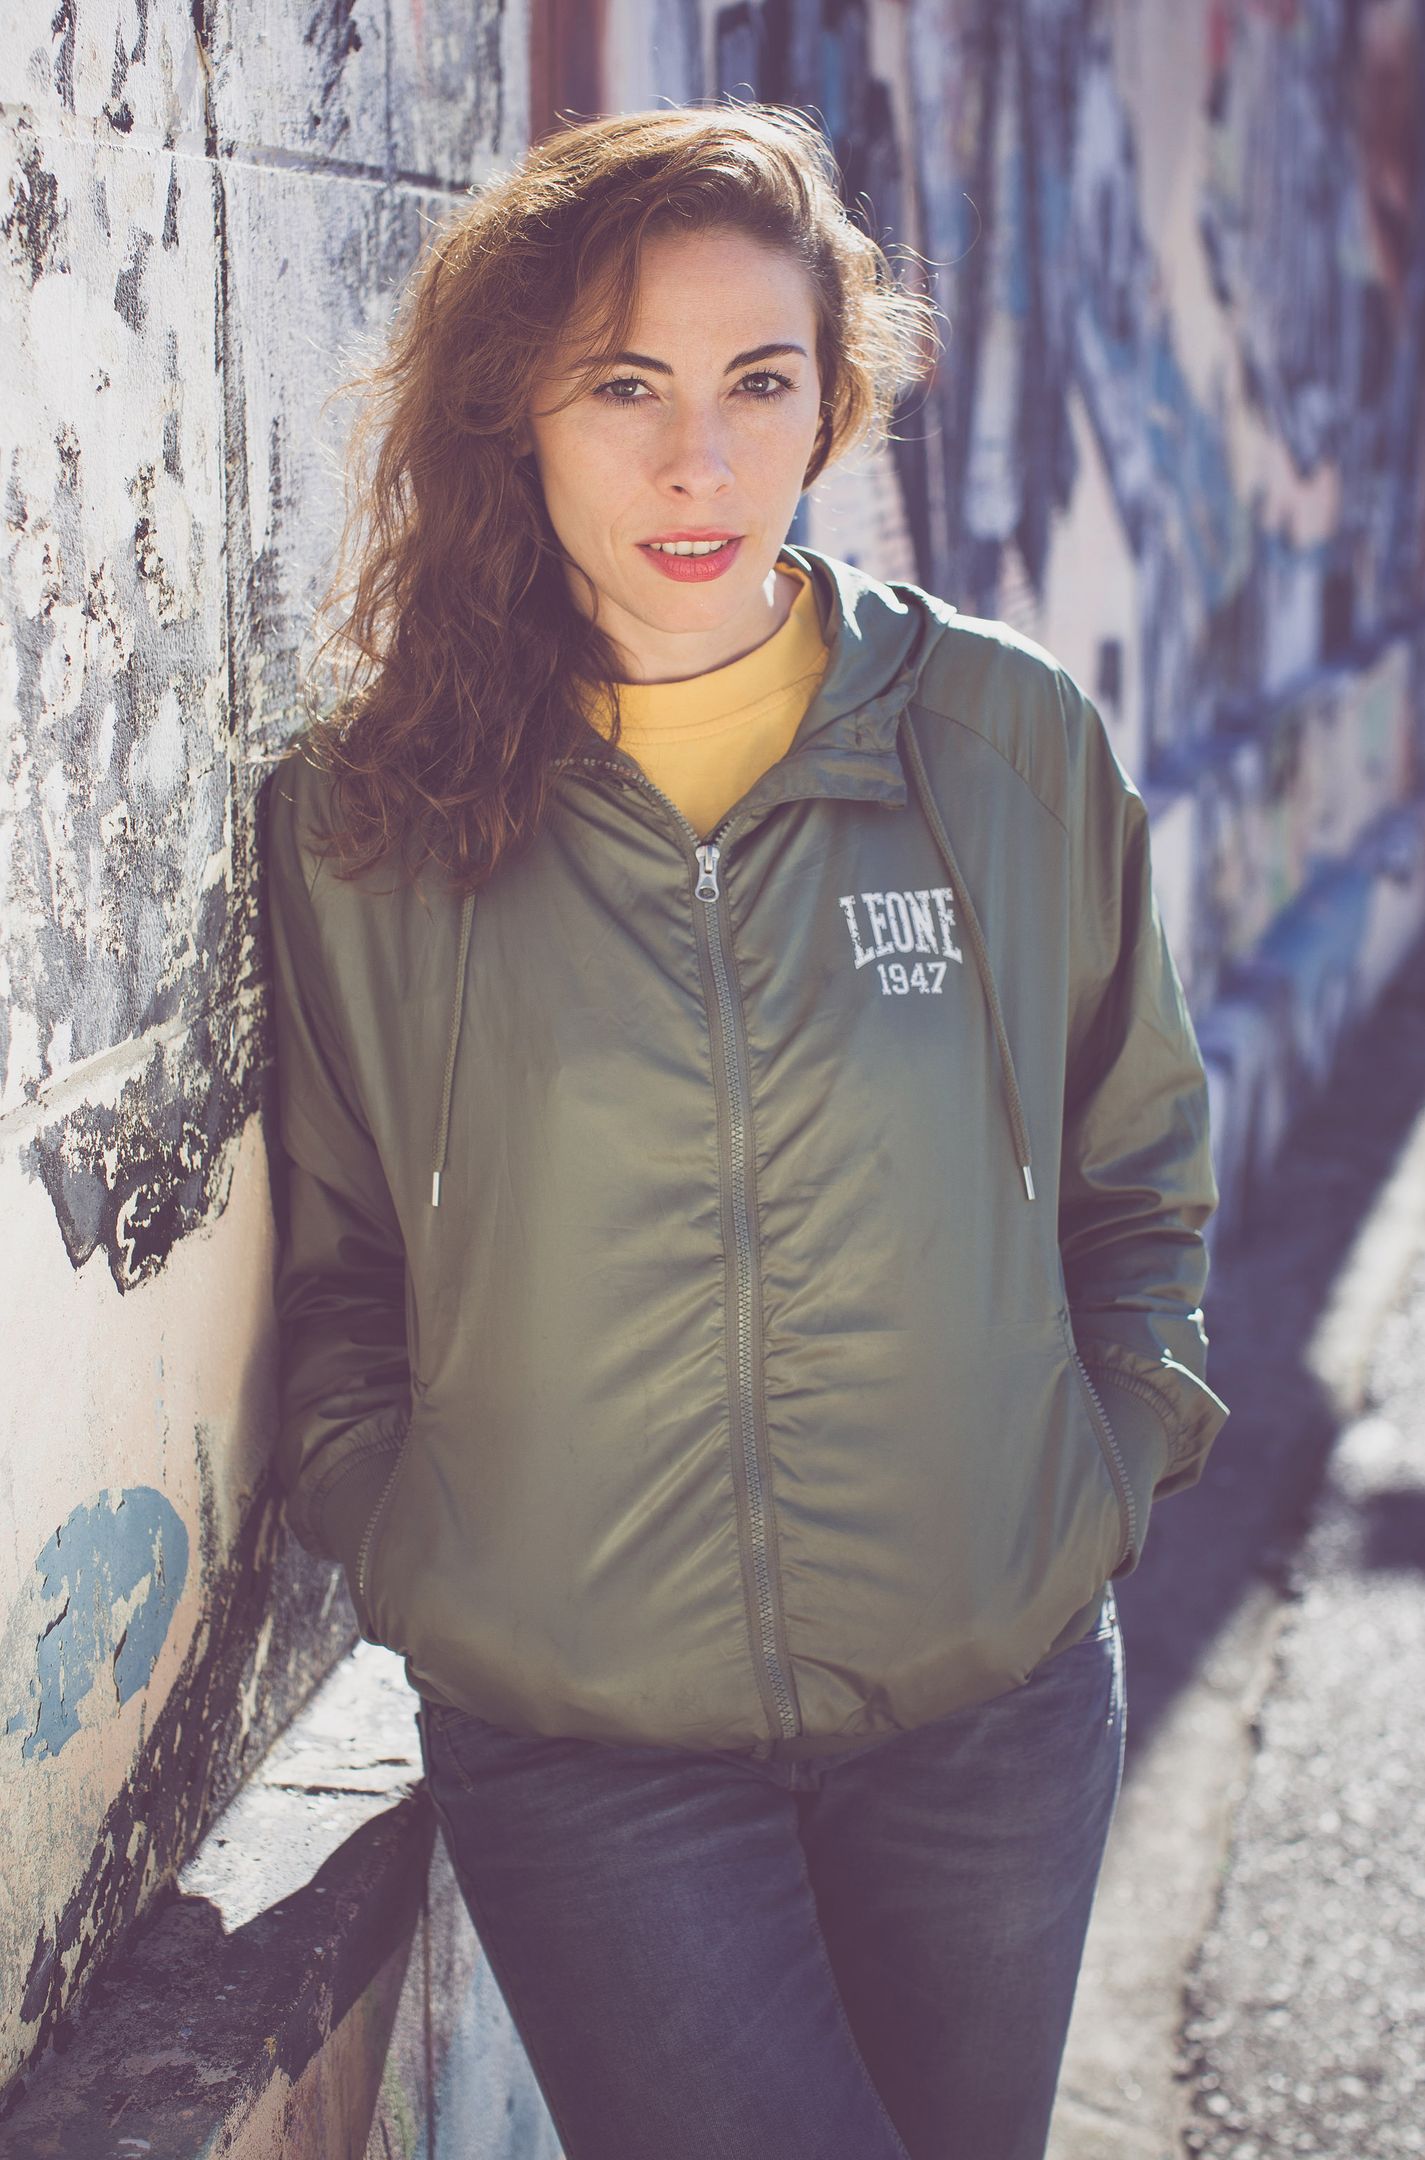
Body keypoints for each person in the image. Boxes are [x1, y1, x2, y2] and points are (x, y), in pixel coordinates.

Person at [263, 101, 1229, 2160]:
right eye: (625, 386)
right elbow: (339, 1264)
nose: (697, 461)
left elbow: (1133, 1159)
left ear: (830, 406)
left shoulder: (1001, 741)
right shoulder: (368, 816)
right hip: (587, 1747)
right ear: (515, 411)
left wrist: (1097, 1470)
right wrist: (426, 1547)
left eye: (758, 382)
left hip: (987, 1710)